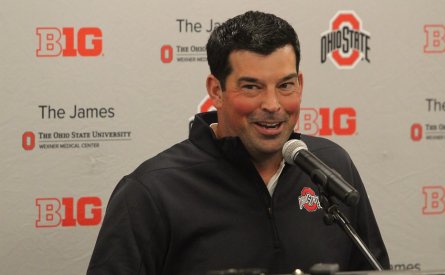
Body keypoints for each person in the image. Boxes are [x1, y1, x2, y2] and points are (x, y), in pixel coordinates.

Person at [87, 11, 389, 275]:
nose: (272, 104)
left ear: (300, 84)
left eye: (285, 85)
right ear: (216, 90)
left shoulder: (331, 166)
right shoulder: (152, 191)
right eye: (251, 87)